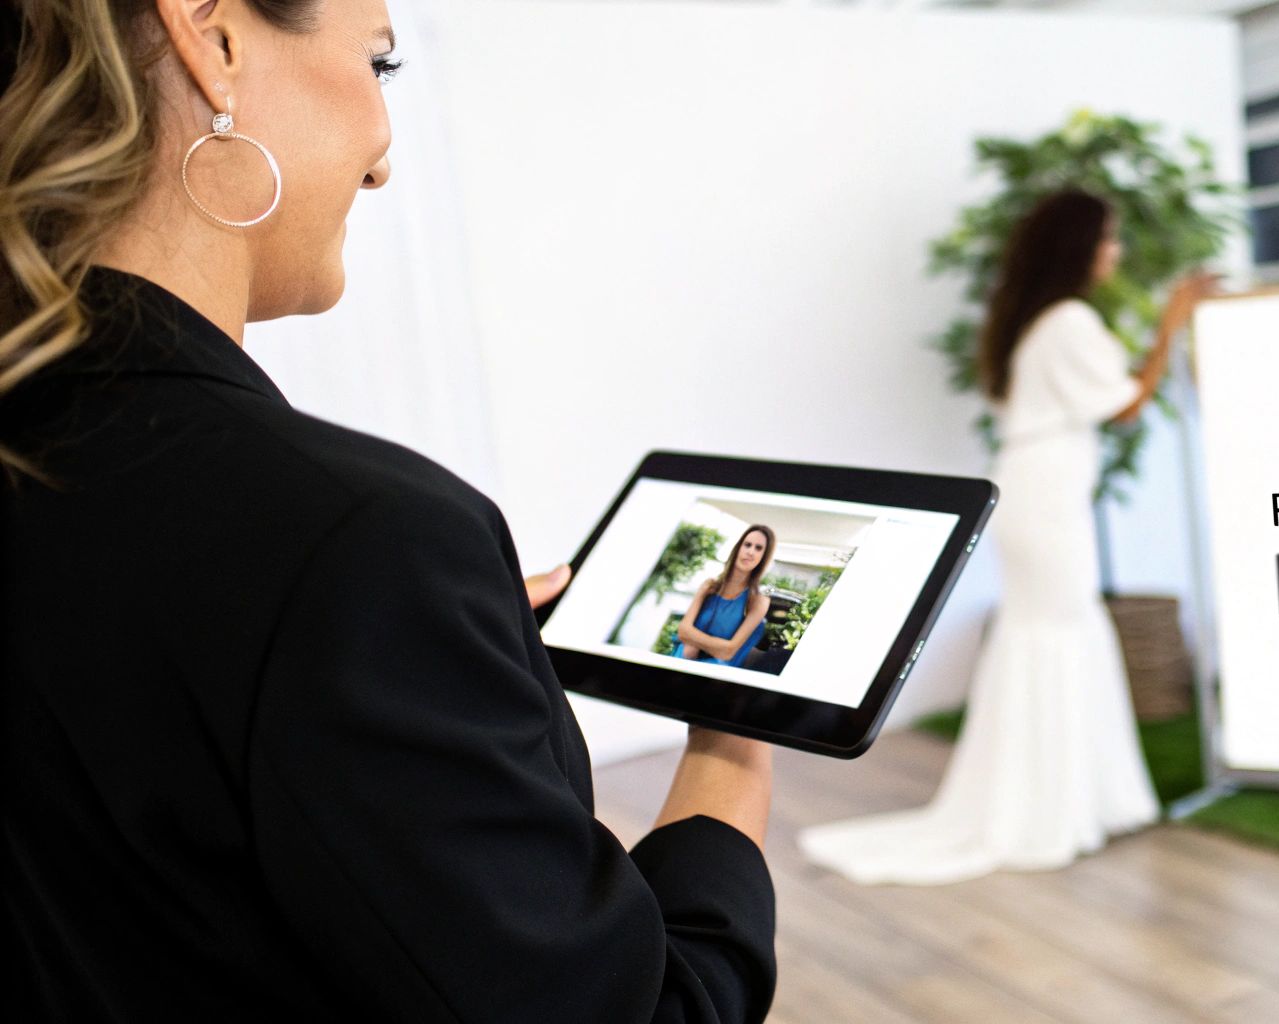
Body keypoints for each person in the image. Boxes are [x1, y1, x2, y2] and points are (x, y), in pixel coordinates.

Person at [0, 2, 775, 1019]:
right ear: (212, 40)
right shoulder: (356, 542)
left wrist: (428, 671)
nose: (380, 163)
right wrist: (734, 753)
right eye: (381, 61)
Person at [798, 188, 1218, 885]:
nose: (1115, 251)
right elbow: (1124, 406)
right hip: (1047, 496)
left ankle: (1056, 802)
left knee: (1045, 630)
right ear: (1081, 247)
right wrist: (1172, 323)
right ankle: (1052, 809)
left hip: (1030, 489)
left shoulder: (1028, 319)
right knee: (1057, 630)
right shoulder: (1070, 320)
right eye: (1108, 238)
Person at [674, 525, 775, 667]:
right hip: (678, 662)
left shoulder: (759, 601)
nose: (751, 552)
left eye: (758, 548)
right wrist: (711, 645)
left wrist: (694, 640)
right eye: (747, 545)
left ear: (763, 557)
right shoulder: (709, 586)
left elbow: (728, 651)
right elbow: (682, 631)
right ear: (738, 547)